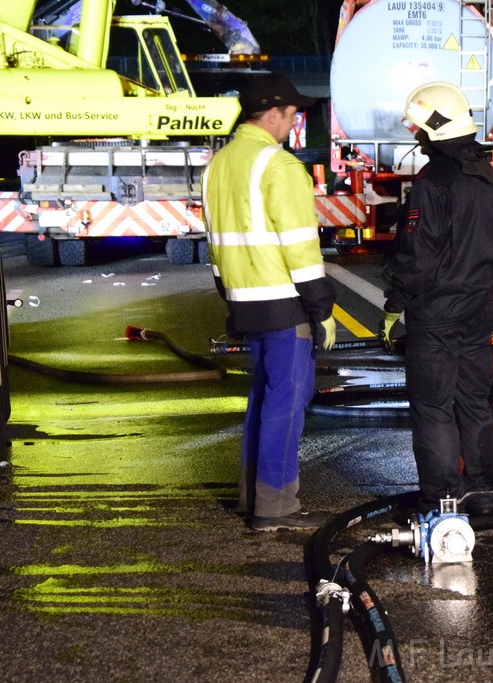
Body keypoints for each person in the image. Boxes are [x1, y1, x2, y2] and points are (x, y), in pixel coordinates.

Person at [202, 73, 337, 531]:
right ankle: (275, 507)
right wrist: (321, 307)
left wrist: (229, 293)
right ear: (274, 112)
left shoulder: (219, 164)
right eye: (293, 113)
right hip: (284, 301)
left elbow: (215, 244)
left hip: (244, 299)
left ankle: (252, 499)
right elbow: (300, 246)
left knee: (262, 398)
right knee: (287, 402)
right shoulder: (278, 166)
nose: (295, 121)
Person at [379, 81, 493, 514]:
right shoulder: (489, 178)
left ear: (433, 128)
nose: (415, 135)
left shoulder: (431, 182)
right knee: (475, 402)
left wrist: (395, 303)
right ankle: (483, 492)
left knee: (434, 407)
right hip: (478, 310)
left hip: (435, 315)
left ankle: (443, 500)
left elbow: (417, 256)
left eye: (418, 127)